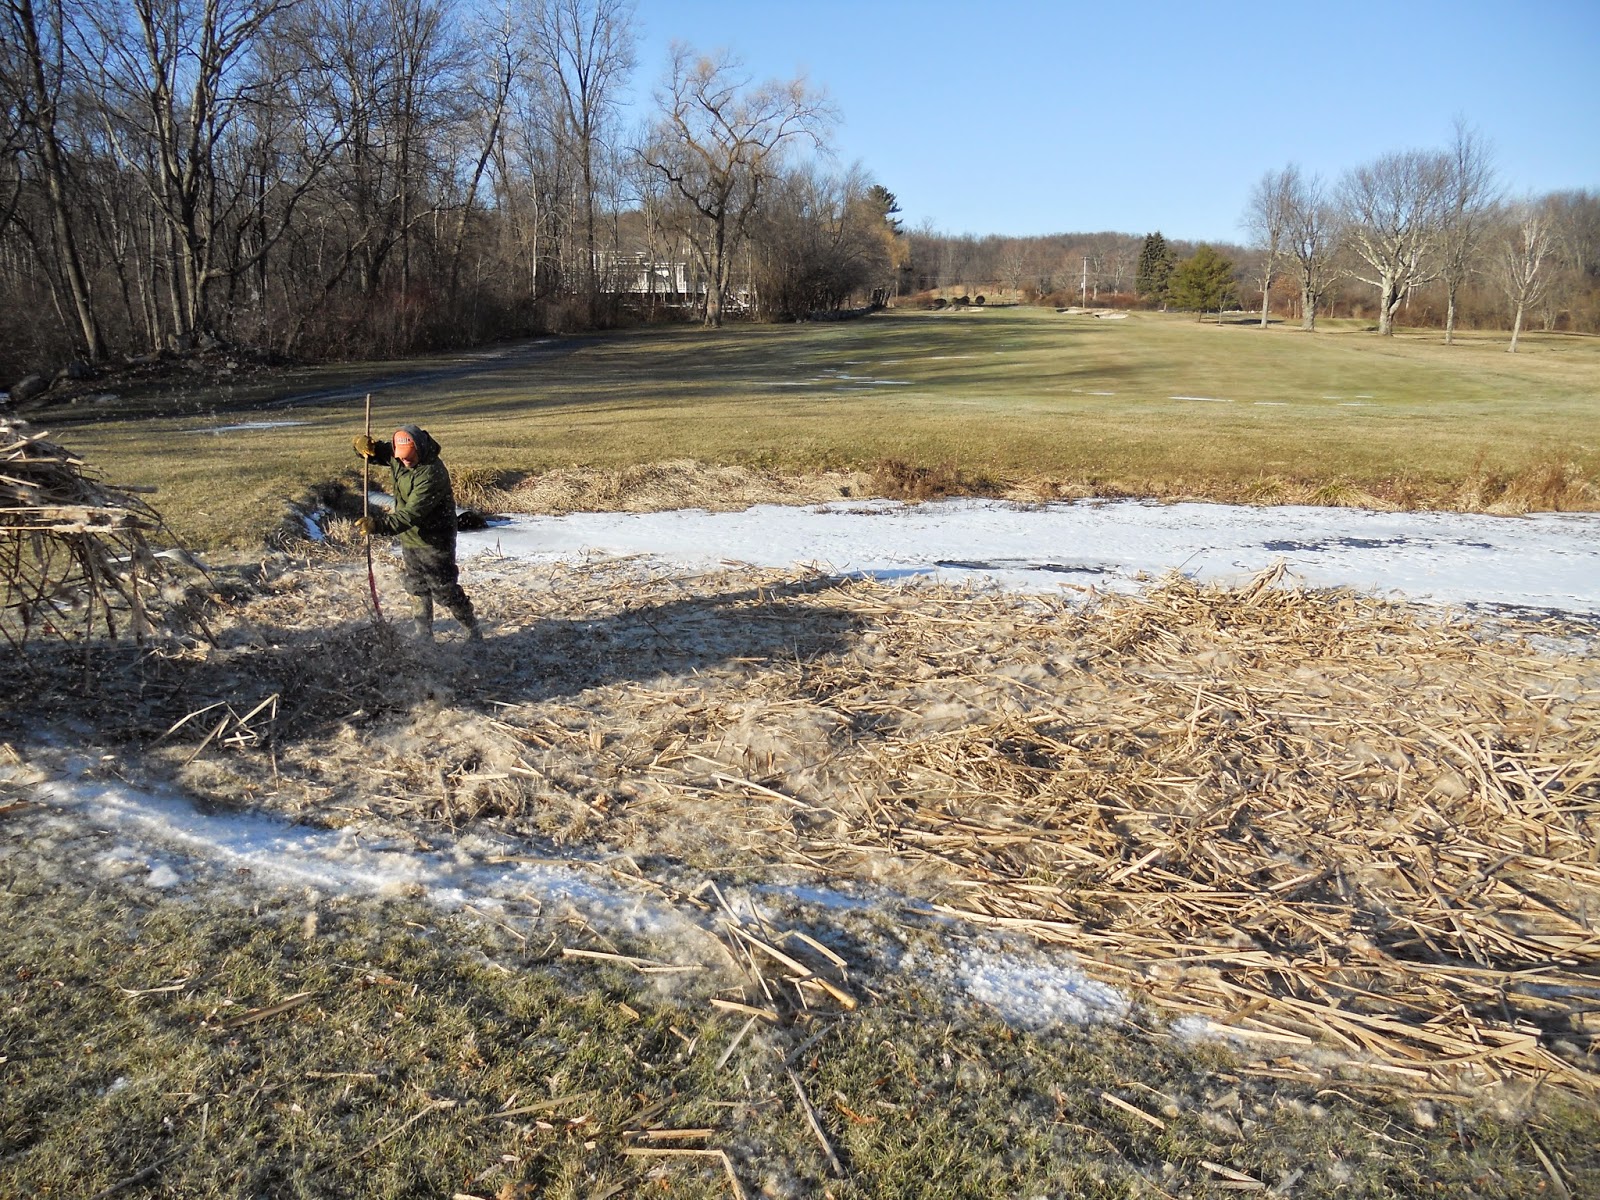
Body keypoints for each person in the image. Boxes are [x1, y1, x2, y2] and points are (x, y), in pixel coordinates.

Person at [352, 424, 481, 642]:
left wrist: (379, 526)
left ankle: (472, 629)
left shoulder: (432, 473)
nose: (405, 461)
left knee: (443, 590)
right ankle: (424, 635)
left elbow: (411, 514)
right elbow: (374, 453)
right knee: (417, 585)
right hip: (410, 537)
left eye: (410, 458)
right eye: (401, 457)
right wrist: (362, 447)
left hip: (435, 540)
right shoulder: (399, 455)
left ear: (420, 449)